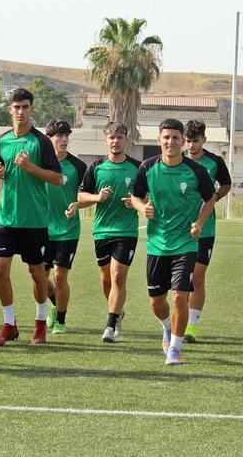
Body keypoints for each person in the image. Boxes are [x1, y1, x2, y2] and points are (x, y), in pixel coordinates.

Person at [131, 119, 215, 365]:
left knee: (179, 295)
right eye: (166, 137)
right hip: (157, 243)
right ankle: (167, 328)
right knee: (157, 301)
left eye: (175, 137)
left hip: (185, 244)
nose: (171, 142)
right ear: (159, 140)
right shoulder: (147, 168)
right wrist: (141, 207)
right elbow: (136, 197)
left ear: (182, 141)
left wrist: (199, 222)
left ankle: (175, 349)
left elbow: (209, 198)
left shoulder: (196, 171)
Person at [0, 88, 62, 346]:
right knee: (0, 270)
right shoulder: (1, 141)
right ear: (9, 109)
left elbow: (58, 178)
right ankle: (9, 324)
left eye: (25, 107)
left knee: (36, 272)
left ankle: (41, 323)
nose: (20, 112)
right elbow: (1, 170)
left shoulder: (41, 142)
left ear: (32, 109)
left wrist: (30, 166)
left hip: (34, 220)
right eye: (16, 107)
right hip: (6, 218)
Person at [77, 121, 141, 342]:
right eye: (111, 138)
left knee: (117, 275)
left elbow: (148, 195)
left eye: (120, 137)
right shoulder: (95, 168)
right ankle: (118, 312)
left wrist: (137, 203)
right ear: (105, 141)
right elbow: (81, 197)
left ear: (126, 140)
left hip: (127, 231)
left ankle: (110, 325)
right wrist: (97, 197)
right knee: (106, 280)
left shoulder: (137, 167)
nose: (116, 141)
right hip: (102, 231)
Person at [181, 120, 231, 343]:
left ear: (204, 140)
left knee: (198, 278)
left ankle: (191, 325)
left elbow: (226, 184)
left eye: (196, 140)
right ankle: (178, 321)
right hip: (178, 230)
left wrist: (215, 198)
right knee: (181, 279)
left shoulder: (214, 162)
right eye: (188, 141)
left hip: (205, 229)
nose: (191, 145)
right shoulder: (176, 160)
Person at [42, 120, 86, 334]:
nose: (64, 140)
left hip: (67, 230)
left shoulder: (78, 166)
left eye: (67, 136)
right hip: (40, 228)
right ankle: (54, 303)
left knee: (60, 275)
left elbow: (87, 195)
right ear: (49, 138)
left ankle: (60, 319)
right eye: (59, 136)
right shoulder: (38, 163)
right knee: (40, 277)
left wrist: (78, 204)